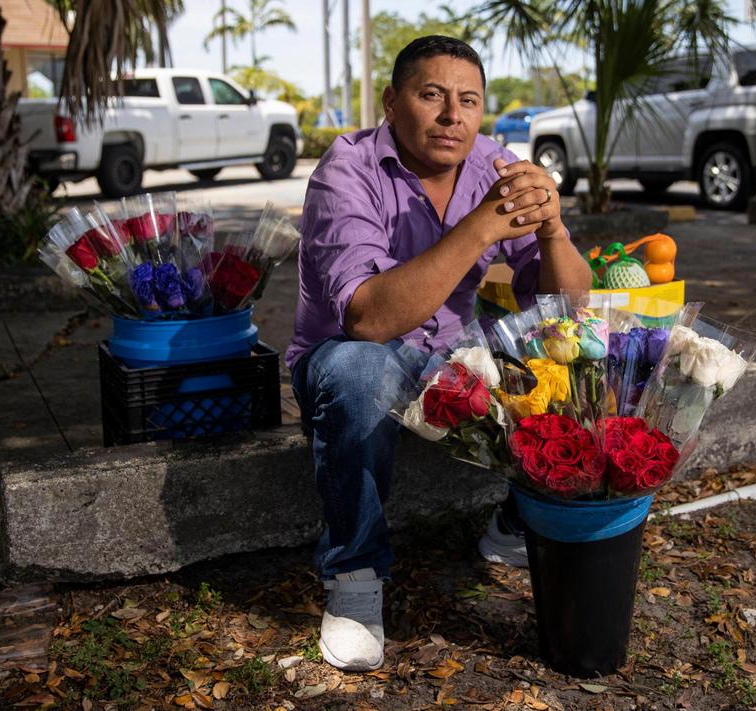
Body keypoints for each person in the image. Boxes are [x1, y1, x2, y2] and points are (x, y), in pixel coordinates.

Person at [286, 35, 591, 672]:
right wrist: (479, 226)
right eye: (432, 96)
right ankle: (354, 576)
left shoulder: (493, 163)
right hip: (352, 359)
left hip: (450, 359)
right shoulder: (347, 170)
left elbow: (567, 304)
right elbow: (369, 320)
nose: (453, 115)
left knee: (578, 349)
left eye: (468, 101)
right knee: (357, 368)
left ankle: (514, 523)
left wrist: (554, 229)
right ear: (393, 104)